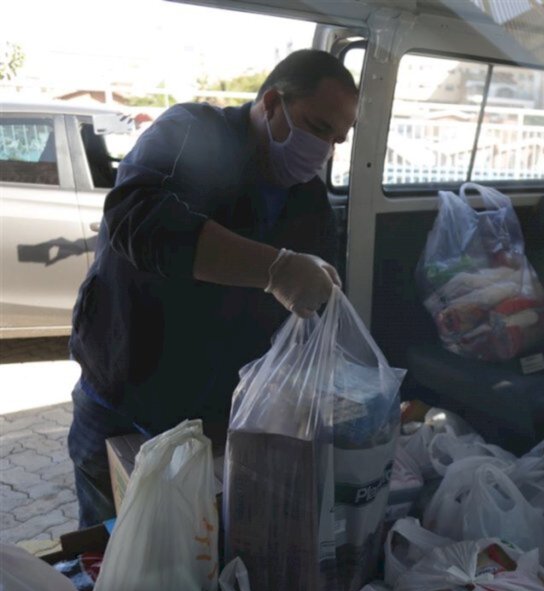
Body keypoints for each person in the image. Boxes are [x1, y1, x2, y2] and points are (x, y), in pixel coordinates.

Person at [67, 49, 358, 527]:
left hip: (213, 419)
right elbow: (135, 217)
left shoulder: (307, 197)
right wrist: (276, 269)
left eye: (337, 139)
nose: (323, 148)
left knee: (192, 557)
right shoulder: (193, 132)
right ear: (270, 104)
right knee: (110, 553)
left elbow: (302, 309)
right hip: (122, 396)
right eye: (317, 126)